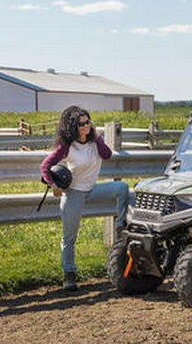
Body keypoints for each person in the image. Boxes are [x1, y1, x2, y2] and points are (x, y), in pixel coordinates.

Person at [40, 106, 129, 291]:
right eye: (81, 124)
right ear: (72, 126)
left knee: (122, 188)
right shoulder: (66, 146)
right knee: (69, 238)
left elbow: (107, 154)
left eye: (88, 121)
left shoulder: (94, 142)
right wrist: (53, 186)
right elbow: (45, 166)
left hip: (92, 189)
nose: (86, 126)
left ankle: (121, 227)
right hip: (74, 194)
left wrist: (96, 136)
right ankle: (69, 275)